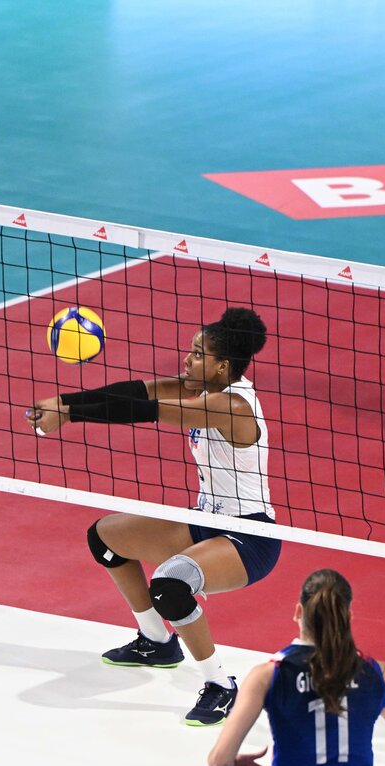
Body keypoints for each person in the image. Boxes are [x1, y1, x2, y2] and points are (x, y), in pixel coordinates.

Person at [28, 307, 279, 726]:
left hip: (248, 536)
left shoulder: (232, 406)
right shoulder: (203, 387)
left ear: (223, 366)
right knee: (105, 538)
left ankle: (220, 685)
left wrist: (70, 414)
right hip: (206, 520)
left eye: (198, 354)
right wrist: (63, 403)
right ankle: (157, 641)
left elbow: (146, 410)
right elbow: (138, 392)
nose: (187, 360)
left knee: (170, 585)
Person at [207, 569, 385, 766]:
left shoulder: (267, 675)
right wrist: (379, 703)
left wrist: (233, 765)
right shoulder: (379, 675)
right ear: (348, 617)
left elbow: (219, 763)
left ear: (298, 612)